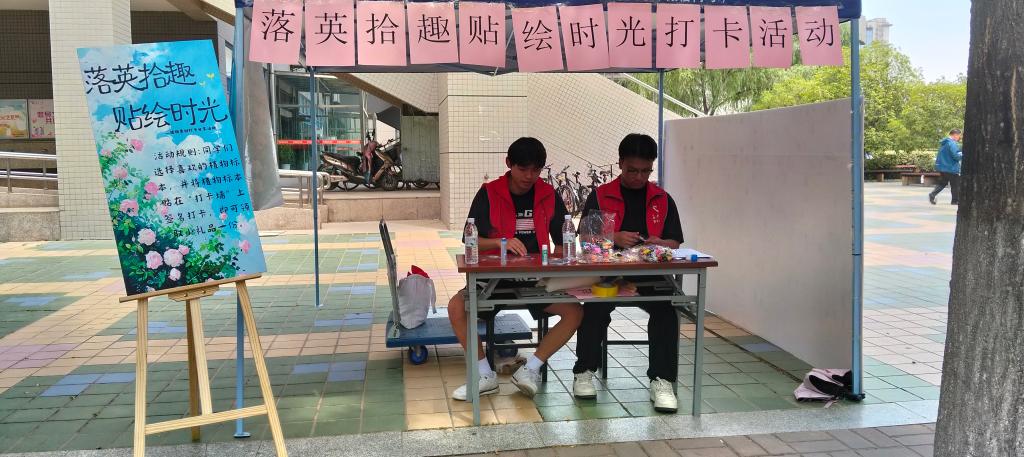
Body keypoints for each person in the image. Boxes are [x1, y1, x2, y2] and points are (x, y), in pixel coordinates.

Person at [448, 137, 583, 401]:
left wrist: (558, 260)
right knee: (456, 308)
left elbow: (563, 242)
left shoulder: (548, 194)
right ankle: (484, 375)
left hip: (535, 279)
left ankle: (530, 369)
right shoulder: (489, 193)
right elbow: (470, 239)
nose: (529, 176)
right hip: (494, 278)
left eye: (536, 170)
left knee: (575, 311)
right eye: (523, 169)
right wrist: (502, 242)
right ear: (509, 163)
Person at [571, 133, 686, 413]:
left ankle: (662, 381)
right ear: (620, 163)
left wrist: (659, 243)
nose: (639, 177)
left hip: (650, 274)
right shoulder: (601, 195)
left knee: (667, 311)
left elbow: (674, 242)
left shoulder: (662, 199)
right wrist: (614, 237)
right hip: (608, 274)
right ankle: (584, 372)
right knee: (594, 309)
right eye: (633, 170)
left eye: (646, 171)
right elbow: (586, 242)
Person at [928, 129, 963, 205]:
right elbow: (956, 156)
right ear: (955, 135)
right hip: (951, 167)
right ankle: (955, 201)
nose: (959, 138)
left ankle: (932, 194)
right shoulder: (952, 143)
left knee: (942, 183)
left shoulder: (944, 143)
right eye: (959, 136)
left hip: (943, 167)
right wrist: (962, 154)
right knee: (955, 184)